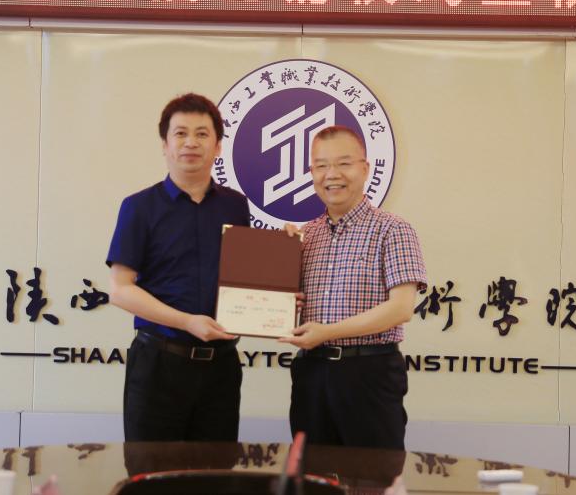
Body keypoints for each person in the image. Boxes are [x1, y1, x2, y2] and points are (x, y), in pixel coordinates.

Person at [107, 93, 250, 442]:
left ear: (217, 146)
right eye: (180, 133)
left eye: (202, 134)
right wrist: (186, 321)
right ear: (165, 145)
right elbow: (120, 289)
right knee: (152, 469)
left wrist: (282, 293)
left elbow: (246, 280)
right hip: (158, 364)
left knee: (216, 468)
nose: (191, 143)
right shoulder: (139, 207)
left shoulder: (235, 206)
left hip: (221, 367)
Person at [280, 125, 427, 450]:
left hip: (369, 373)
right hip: (311, 373)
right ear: (311, 173)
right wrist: (279, 260)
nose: (332, 174)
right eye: (321, 165)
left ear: (365, 168)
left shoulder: (393, 230)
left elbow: (401, 309)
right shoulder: (306, 236)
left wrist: (328, 332)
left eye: (344, 163)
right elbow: (287, 305)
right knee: (312, 471)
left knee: (373, 472)